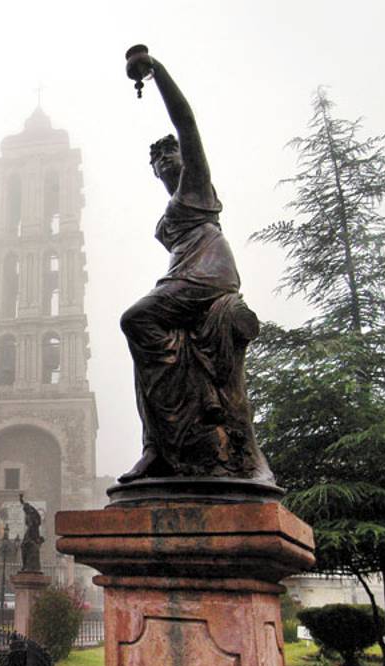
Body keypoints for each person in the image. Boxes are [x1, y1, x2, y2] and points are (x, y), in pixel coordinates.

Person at [118, 51, 259, 483]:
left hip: (207, 276)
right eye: (157, 160)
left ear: (185, 160)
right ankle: (158, 444)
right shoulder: (167, 213)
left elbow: (187, 123)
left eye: (171, 156)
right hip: (183, 278)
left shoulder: (196, 186)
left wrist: (156, 71)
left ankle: (162, 443)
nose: (164, 162)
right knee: (152, 351)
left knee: (137, 318)